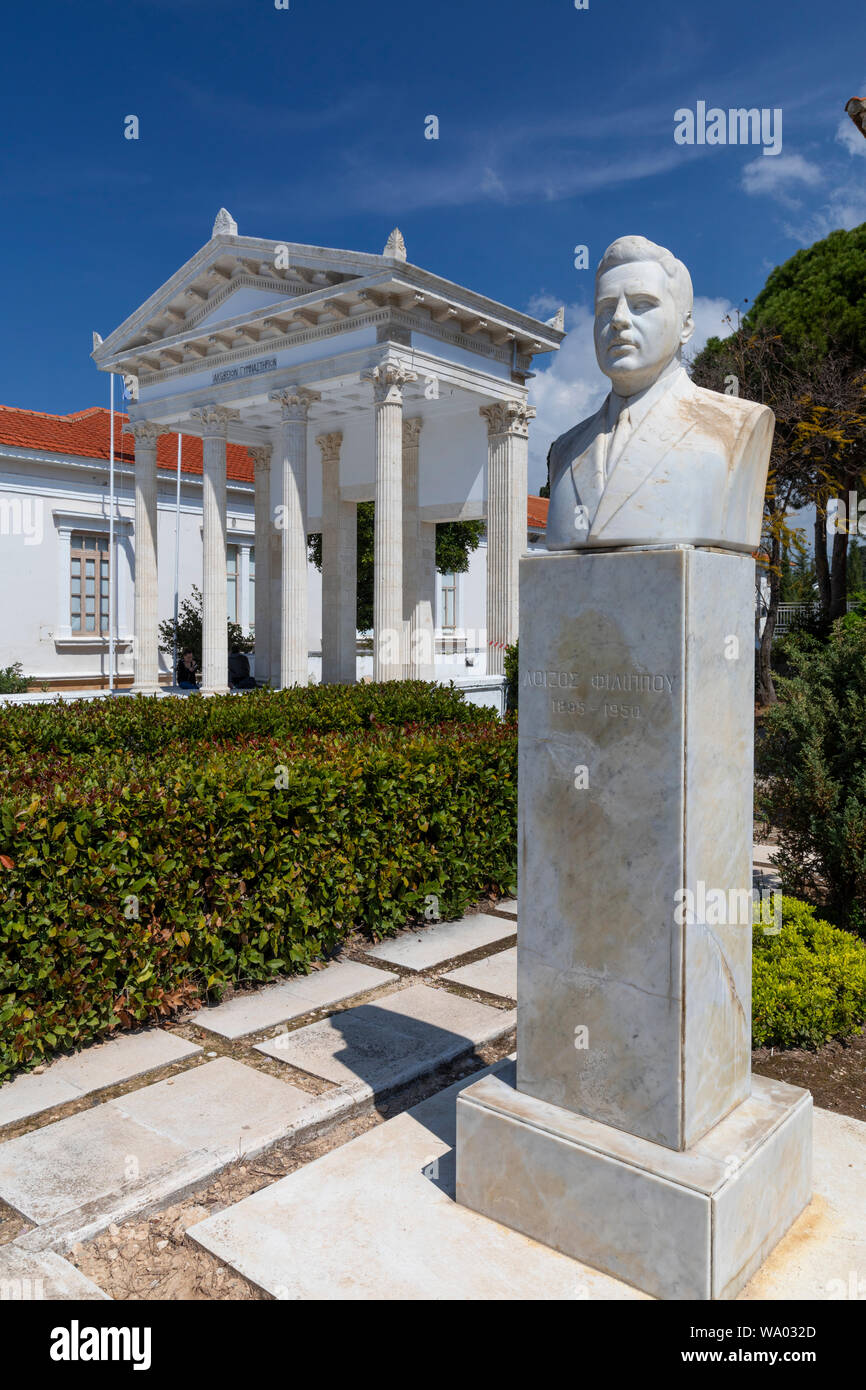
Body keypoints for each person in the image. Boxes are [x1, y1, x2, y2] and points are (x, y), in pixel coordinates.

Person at [544, 235, 773, 554]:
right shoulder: (565, 450)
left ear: (686, 326)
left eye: (642, 305)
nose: (619, 320)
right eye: (606, 308)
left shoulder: (738, 426)